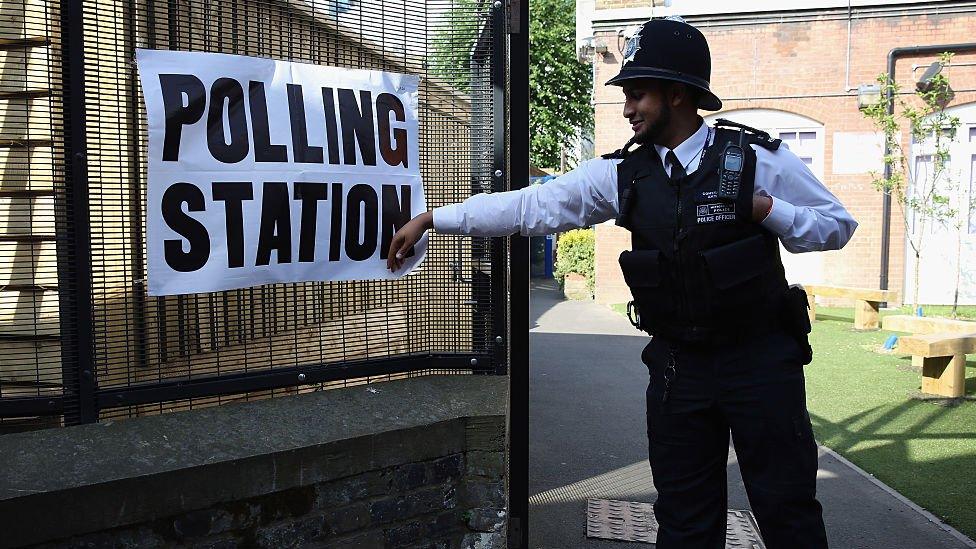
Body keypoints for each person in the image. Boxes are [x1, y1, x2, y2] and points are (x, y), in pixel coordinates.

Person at [387, 16, 856, 549]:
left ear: (677, 93)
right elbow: (532, 206)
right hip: (681, 369)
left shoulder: (755, 159)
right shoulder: (621, 175)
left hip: (762, 363)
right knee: (683, 521)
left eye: (637, 94)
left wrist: (765, 208)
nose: (627, 108)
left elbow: (836, 225)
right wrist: (435, 218)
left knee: (787, 513)